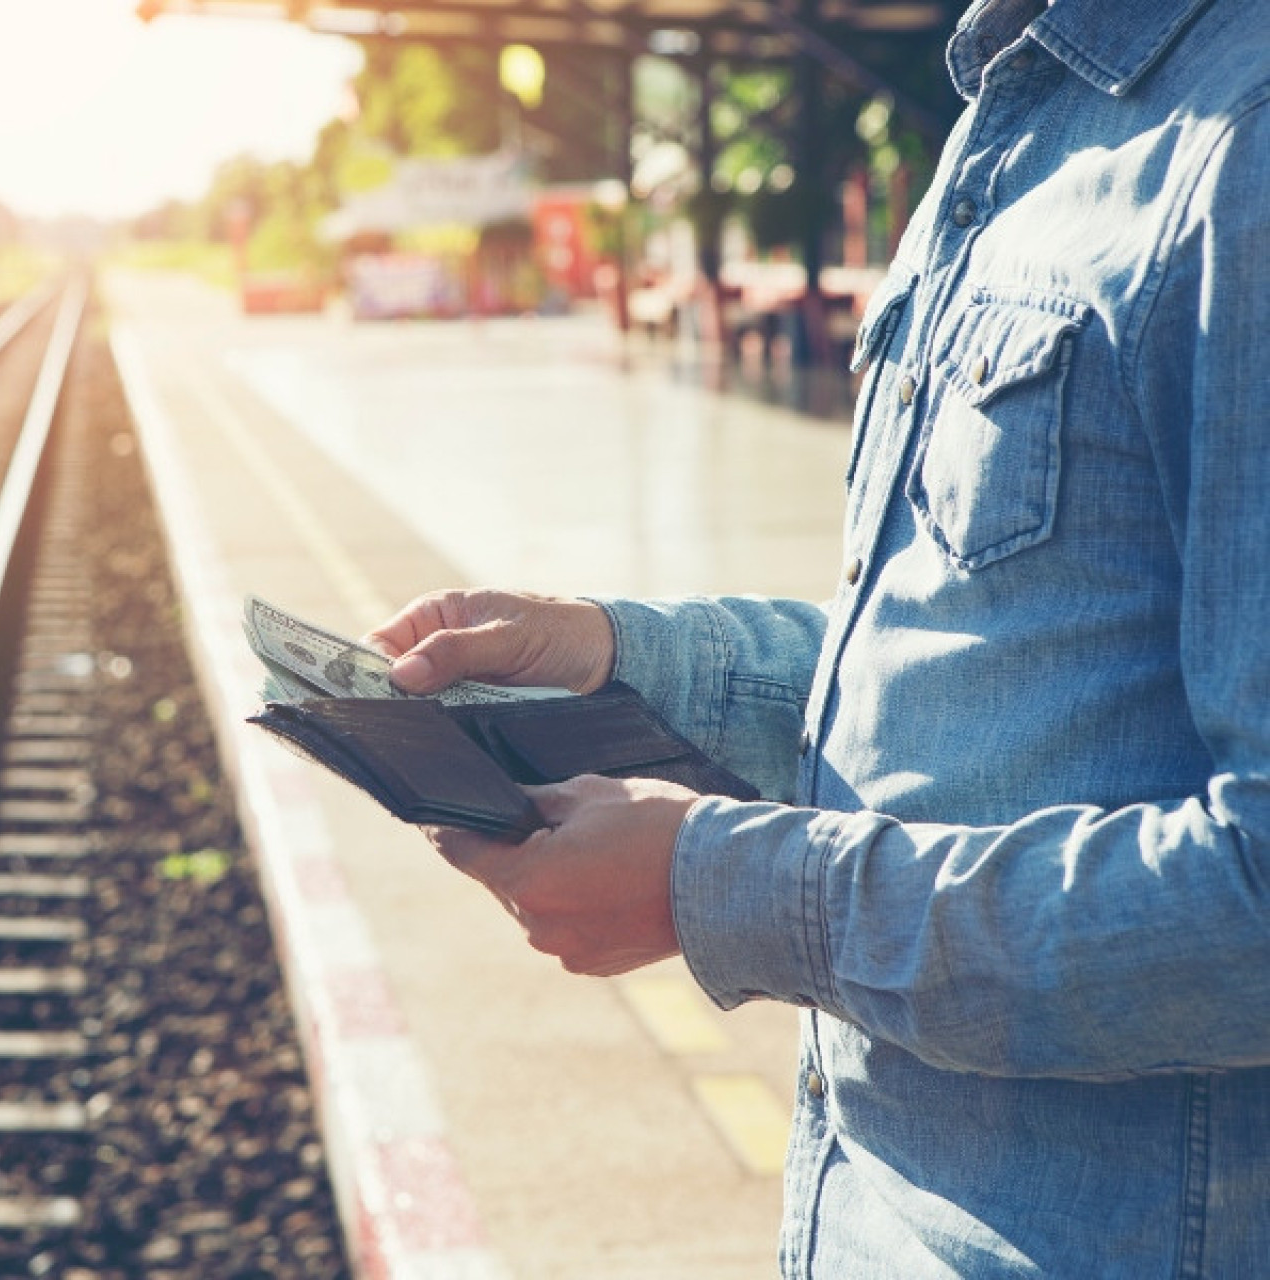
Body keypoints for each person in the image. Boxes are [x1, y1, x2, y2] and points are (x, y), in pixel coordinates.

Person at [365, 0, 1270, 1274]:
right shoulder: (1012, 113)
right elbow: (968, 689)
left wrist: (720, 885)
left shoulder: (1242, 143)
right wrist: (615, 655)